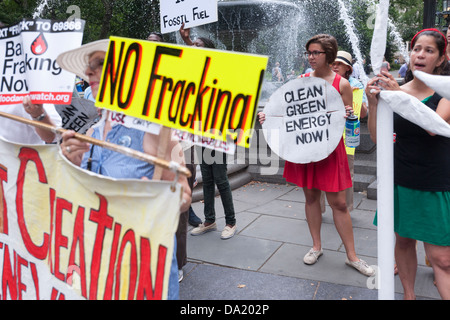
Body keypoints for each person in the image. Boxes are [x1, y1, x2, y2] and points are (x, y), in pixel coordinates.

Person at [56, 39, 191, 300]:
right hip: (101, 260)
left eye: (99, 65)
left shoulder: (155, 130)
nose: (89, 72)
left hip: (143, 265)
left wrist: (157, 199)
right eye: (88, 67)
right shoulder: (92, 132)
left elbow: (184, 194)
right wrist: (71, 164)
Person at [259, 34, 374, 277]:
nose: (310, 57)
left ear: (328, 55)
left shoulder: (342, 84)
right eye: (308, 53)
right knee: (311, 199)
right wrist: (267, 117)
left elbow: (351, 119)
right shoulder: (300, 81)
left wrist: (347, 114)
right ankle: (316, 246)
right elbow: (284, 113)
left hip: (330, 152)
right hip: (305, 150)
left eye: (315, 53)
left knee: (339, 204)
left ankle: (352, 256)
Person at [366, 28, 450, 300]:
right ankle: (408, 295)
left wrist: (397, 95)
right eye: (416, 49)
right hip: (401, 179)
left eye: (429, 50)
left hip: (436, 181)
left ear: (440, 58)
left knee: (442, 257)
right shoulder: (396, 90)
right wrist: (374, 102)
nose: (420, 55)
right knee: (403, 241)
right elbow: (379, 138)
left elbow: (433, 127)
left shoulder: (446, 91)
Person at [178, 25, 237, 240]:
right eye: (194, 46)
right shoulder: (197, 74)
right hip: (201, 129)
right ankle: (210, 220)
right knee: (208, 177)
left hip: (220, 130)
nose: (195, 48)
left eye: (199, 45)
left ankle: (230, 222)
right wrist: (187, 44)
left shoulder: (219, 70)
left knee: (221, 178)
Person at [332, 50, 368, 212]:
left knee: (347, 173)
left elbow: (363, 113)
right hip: (324, 135)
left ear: (348, 68)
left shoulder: (357, 85)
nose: (335, 66)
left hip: (346, 137)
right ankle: (317, 209)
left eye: (339, 63)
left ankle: (345, 209)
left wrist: (352, 95)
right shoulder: (323, 81)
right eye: (333, 62)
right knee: (317, 172)